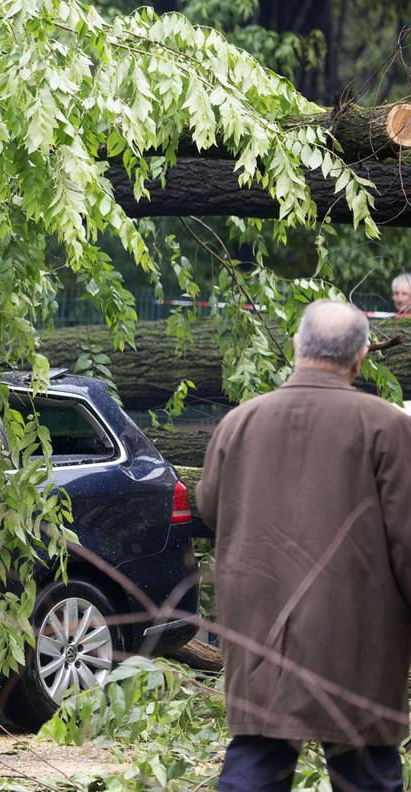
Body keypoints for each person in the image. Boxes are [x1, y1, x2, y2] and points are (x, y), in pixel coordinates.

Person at [197, 299, 411, 792]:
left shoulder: (239, 423)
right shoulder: (388, 428)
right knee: (367, 773)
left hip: (262, 628)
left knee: (257, 758)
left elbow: (210, 510)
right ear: (360, 358)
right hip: (359, 636)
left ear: (296, 347)